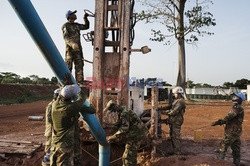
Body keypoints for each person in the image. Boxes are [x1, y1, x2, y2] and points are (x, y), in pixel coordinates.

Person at [50, 84, 95, 166]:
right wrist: (78, 89)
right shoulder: (70, 108)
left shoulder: (55, 105)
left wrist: (66, 85)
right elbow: (83, 97)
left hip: (55, 144)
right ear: (71, 97)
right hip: (65, 147)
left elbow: (60, 95)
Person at [105, 100, 148, 166]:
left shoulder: (124, 113)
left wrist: (112, 137)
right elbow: (119, 123)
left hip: (136, 134)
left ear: (115, 108)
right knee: (131, 155)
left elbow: (124, 129)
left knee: (127, 157)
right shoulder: (122, 110)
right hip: (137, 133)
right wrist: (111, 129)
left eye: (113, 111)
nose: (114, 112)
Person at [211, 92, 245, 166]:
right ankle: (236, 163)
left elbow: (229, 116)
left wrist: (219, 122)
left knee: (223, 146)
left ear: (239, 99)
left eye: (235, 97)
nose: (233, 97)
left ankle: (219, 163)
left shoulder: (237, 107)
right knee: (236, 149)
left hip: (231, 131)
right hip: (237, 131)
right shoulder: (239, 107)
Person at [62, 10, 90, 85]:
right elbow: (66, 38)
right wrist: (72, 44)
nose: (75, 15)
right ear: (69, 16)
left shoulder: (77, 25)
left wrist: (85, 18)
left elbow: (86, 26)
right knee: (68, 65)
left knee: (79, 65)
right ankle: (66, 82)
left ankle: (79, 82)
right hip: (70, 50)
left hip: (78, 50)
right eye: (73, 14)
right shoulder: (66, 26)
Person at [159, 86, 186, 155]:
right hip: (173, 121)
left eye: (175, 93)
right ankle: (175, 150)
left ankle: (177, 152)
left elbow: (174, 111)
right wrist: (161, 108)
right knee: (172, 136)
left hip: (176, 121)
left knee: (175, 137)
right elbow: (170, 106)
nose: (174, 94)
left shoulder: (180, 102)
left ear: (179, 94)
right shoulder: (176, 101)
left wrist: (163, 112)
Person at [42, 88, 60, 166]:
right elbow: (50, 120)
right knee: (49, 151)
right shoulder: (51, 106)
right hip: (51, 131)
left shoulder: (55, 105)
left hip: (54, 131)